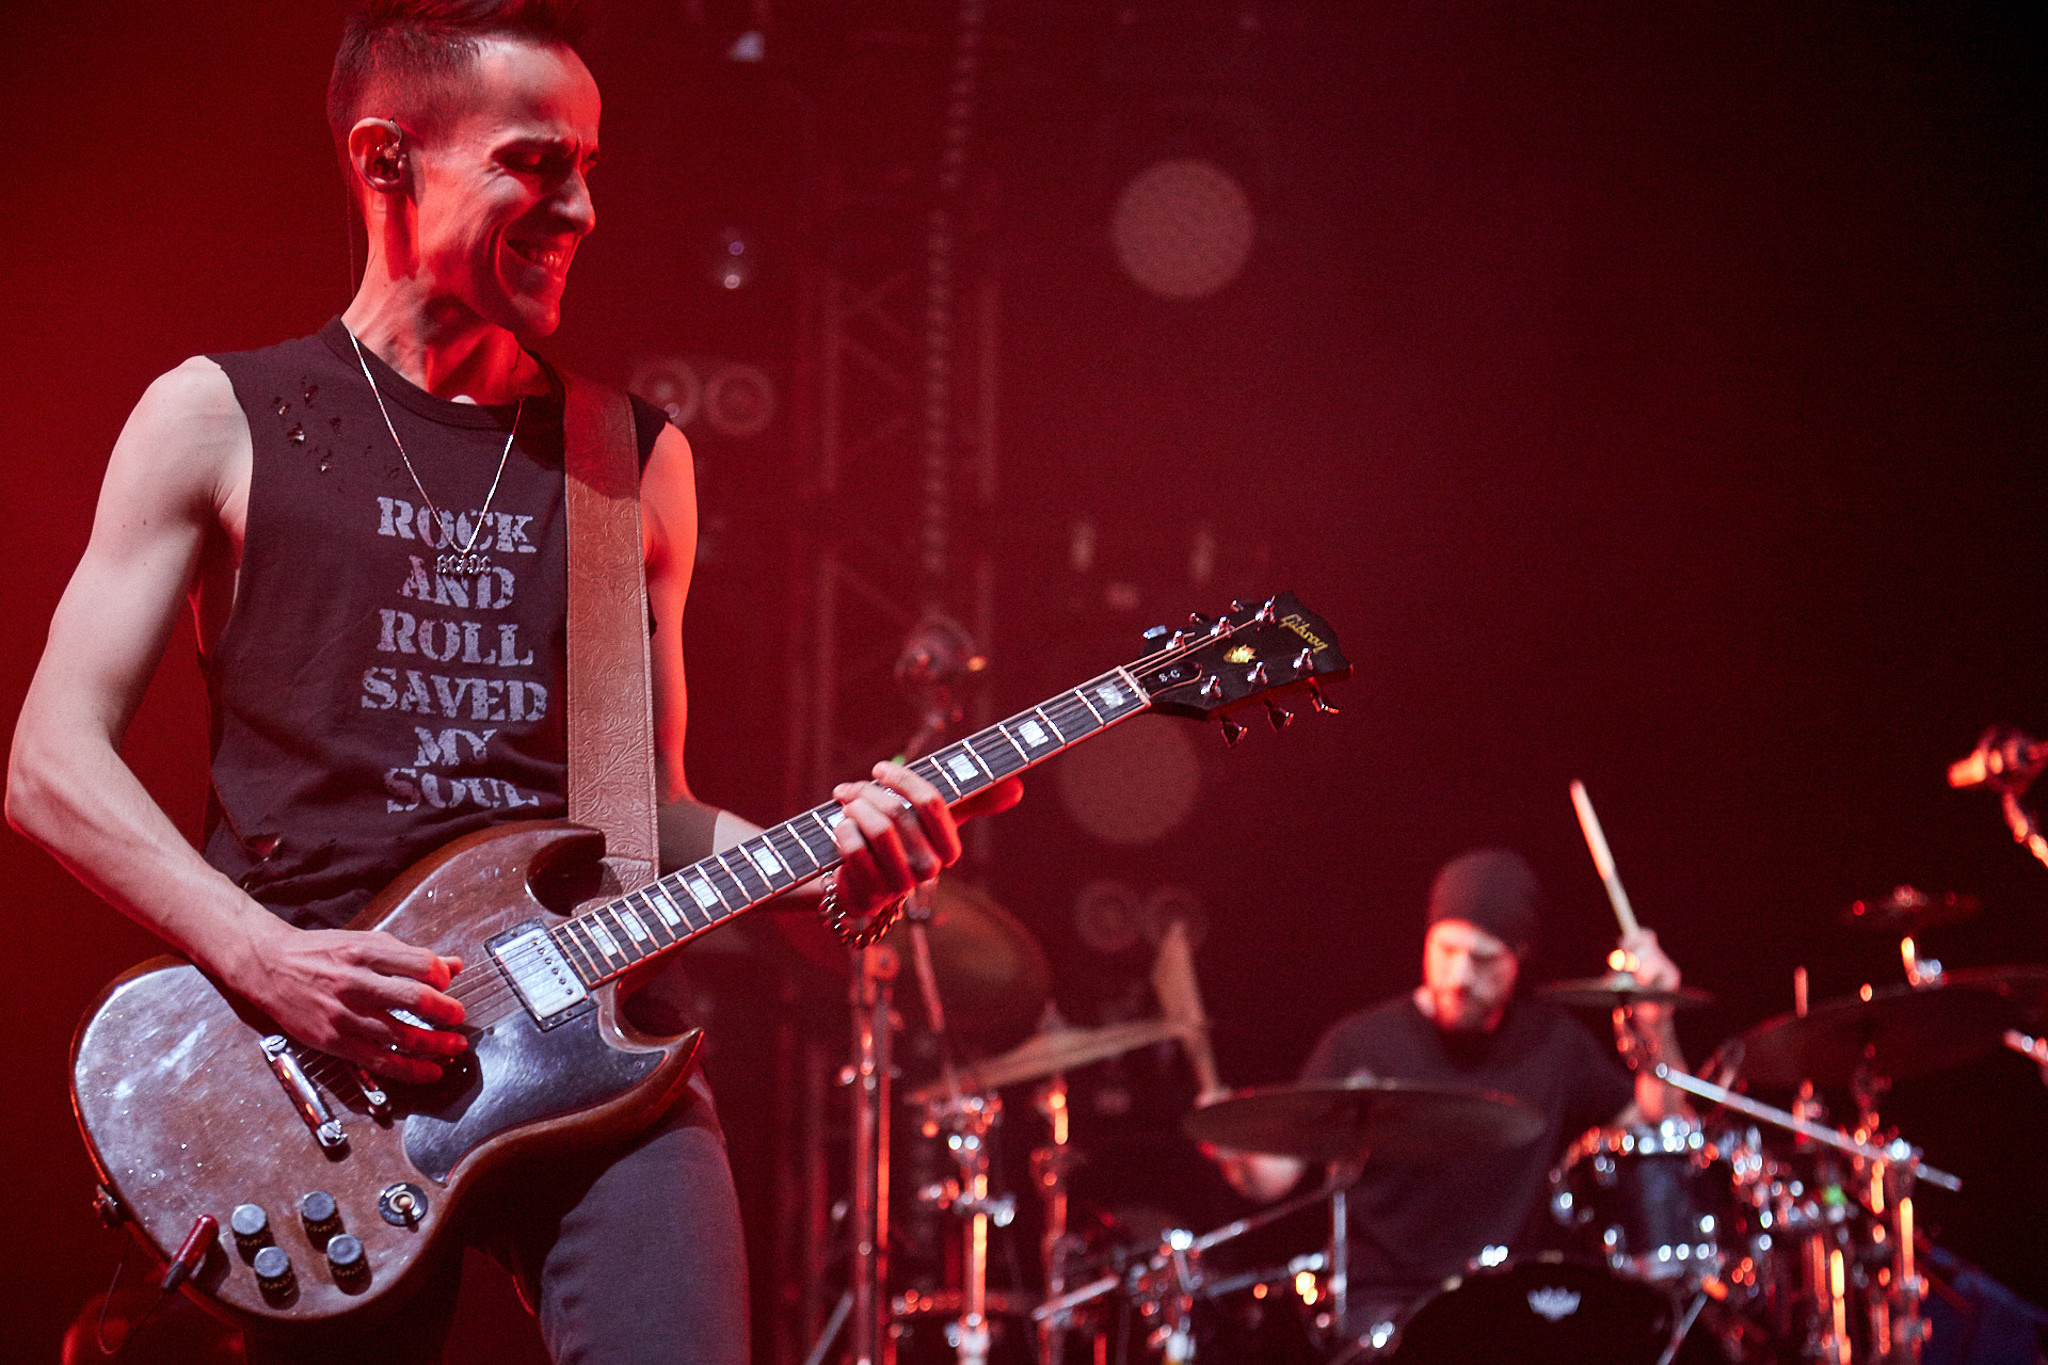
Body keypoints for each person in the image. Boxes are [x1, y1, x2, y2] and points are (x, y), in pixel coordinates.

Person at [6, 2, 1017, 1360]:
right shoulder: (218, 417)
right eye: (537, 164)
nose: (584, 209)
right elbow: (50, 764)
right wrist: (270, 959)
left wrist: (827, 868)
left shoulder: (630, 460)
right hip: (309, 1074)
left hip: (589, 1057)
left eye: (591, 166)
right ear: (385, 162)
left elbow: (648, 814)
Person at [1212, 847, 1687, 1333]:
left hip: (1512, 1302)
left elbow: (1666, 1129)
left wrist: (1656, 1023)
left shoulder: (1554, 1042)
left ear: (1520, 955)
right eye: (1445, 951)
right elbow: (1272, 1178)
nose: (1459, 976)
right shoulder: (1360, 1042)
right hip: (1386, 1309)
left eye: (1483, 959)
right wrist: (1232, 1146)